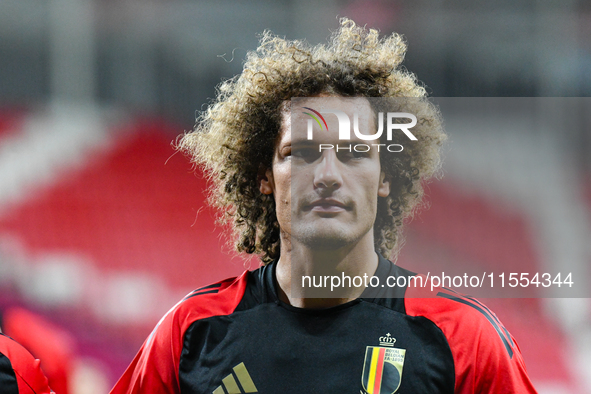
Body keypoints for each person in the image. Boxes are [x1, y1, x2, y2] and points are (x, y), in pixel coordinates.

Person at [110, 19, 537, 393]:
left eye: (352, 152)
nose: (328, 175)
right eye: (302, 152)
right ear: (263, 176)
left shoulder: (463, 339)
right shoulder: (191, 334)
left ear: (386, 176)